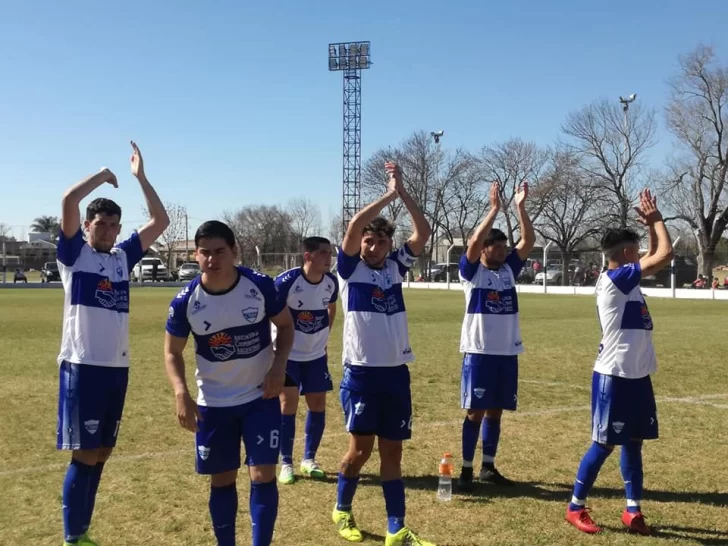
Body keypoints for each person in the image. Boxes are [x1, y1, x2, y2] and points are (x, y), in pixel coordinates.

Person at [56, 142, 169, 546]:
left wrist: (140, 178)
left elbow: (160, 219)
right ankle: (74, 535)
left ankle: (83, 530)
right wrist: (103, 174)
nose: (106, 230)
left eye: (112, 225)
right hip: (83, 367)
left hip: (116, 369)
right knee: (84, 455)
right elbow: (69, 198)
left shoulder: (123, 258)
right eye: (100, 223)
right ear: (87, 226)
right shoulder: (74, 256)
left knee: (102, 452)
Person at [164, 220, 294, 546]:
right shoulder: (185, 302)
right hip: (214, 403)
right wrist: (181, 393)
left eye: (219, 251)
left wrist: (279, 366)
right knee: (222, 480)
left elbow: (287, 327)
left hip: (260, 397)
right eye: (204, 252)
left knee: (263, 475)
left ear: (234, 251)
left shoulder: (260, 286)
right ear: (195, 255)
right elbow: (172, 352)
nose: (212, 259)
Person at [333, 162, 434, 546]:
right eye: (368, 242)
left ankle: (397, 528)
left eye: (380, 242)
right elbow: (354, 226)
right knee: (360, 452)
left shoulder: (395, 268)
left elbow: (422, 233)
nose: (373, 247)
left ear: (389, 246)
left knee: (393, 452)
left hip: (396, 373)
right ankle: (342, 510)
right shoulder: (348, 270)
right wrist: (387, 195)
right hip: (361, 375)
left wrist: (404, 193)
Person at [565, 189, 673, 536]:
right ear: (627, 255)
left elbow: (658, 254)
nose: (642, 254)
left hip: (637, 374)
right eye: (636, 249)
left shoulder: (628, 282)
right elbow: (666, 255)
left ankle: (633, 511)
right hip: (614, 376)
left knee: (634, 441)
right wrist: (656, 220)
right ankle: (575, 506)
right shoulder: (616, 280)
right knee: (604, 444)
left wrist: (654, 228)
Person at [456, 181, 535, 492]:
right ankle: (464, 470)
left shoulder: (508, 271)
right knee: (474, 411)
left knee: (496, 410)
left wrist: (520, 207)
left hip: (507, 352)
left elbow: (528, 240)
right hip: (479, 352)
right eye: (496, 247)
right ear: (485, 249)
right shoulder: (472, 272)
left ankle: (488, 467)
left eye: (504, 247)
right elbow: (473, 242)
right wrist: (493, 210)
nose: (502, 252)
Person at [274, 236, 338, 484]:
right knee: (287, 404)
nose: (328, 257)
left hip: (316, 356)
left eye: (329, 253)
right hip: (288, 356)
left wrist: (325, 337)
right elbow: (270, 312)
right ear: (308, 256)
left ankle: (309, 459)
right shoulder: (287, 281)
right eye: (322, 253)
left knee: (318, 404)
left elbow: (331, 309)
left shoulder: (330, 282)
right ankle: (286, 462)